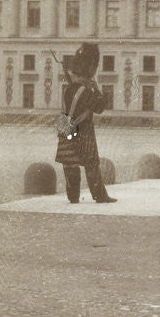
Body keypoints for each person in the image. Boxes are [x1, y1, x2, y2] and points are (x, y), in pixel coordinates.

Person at [55, 42, 116, 204]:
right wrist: (95, 87)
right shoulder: (87, 90)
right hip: (84, 131)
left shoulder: (68, 90)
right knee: (92, 164)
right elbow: (100, 107)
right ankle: (100, 196)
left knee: (70, 165)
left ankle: (73, 197)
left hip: (65, 129)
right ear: (89, 70)